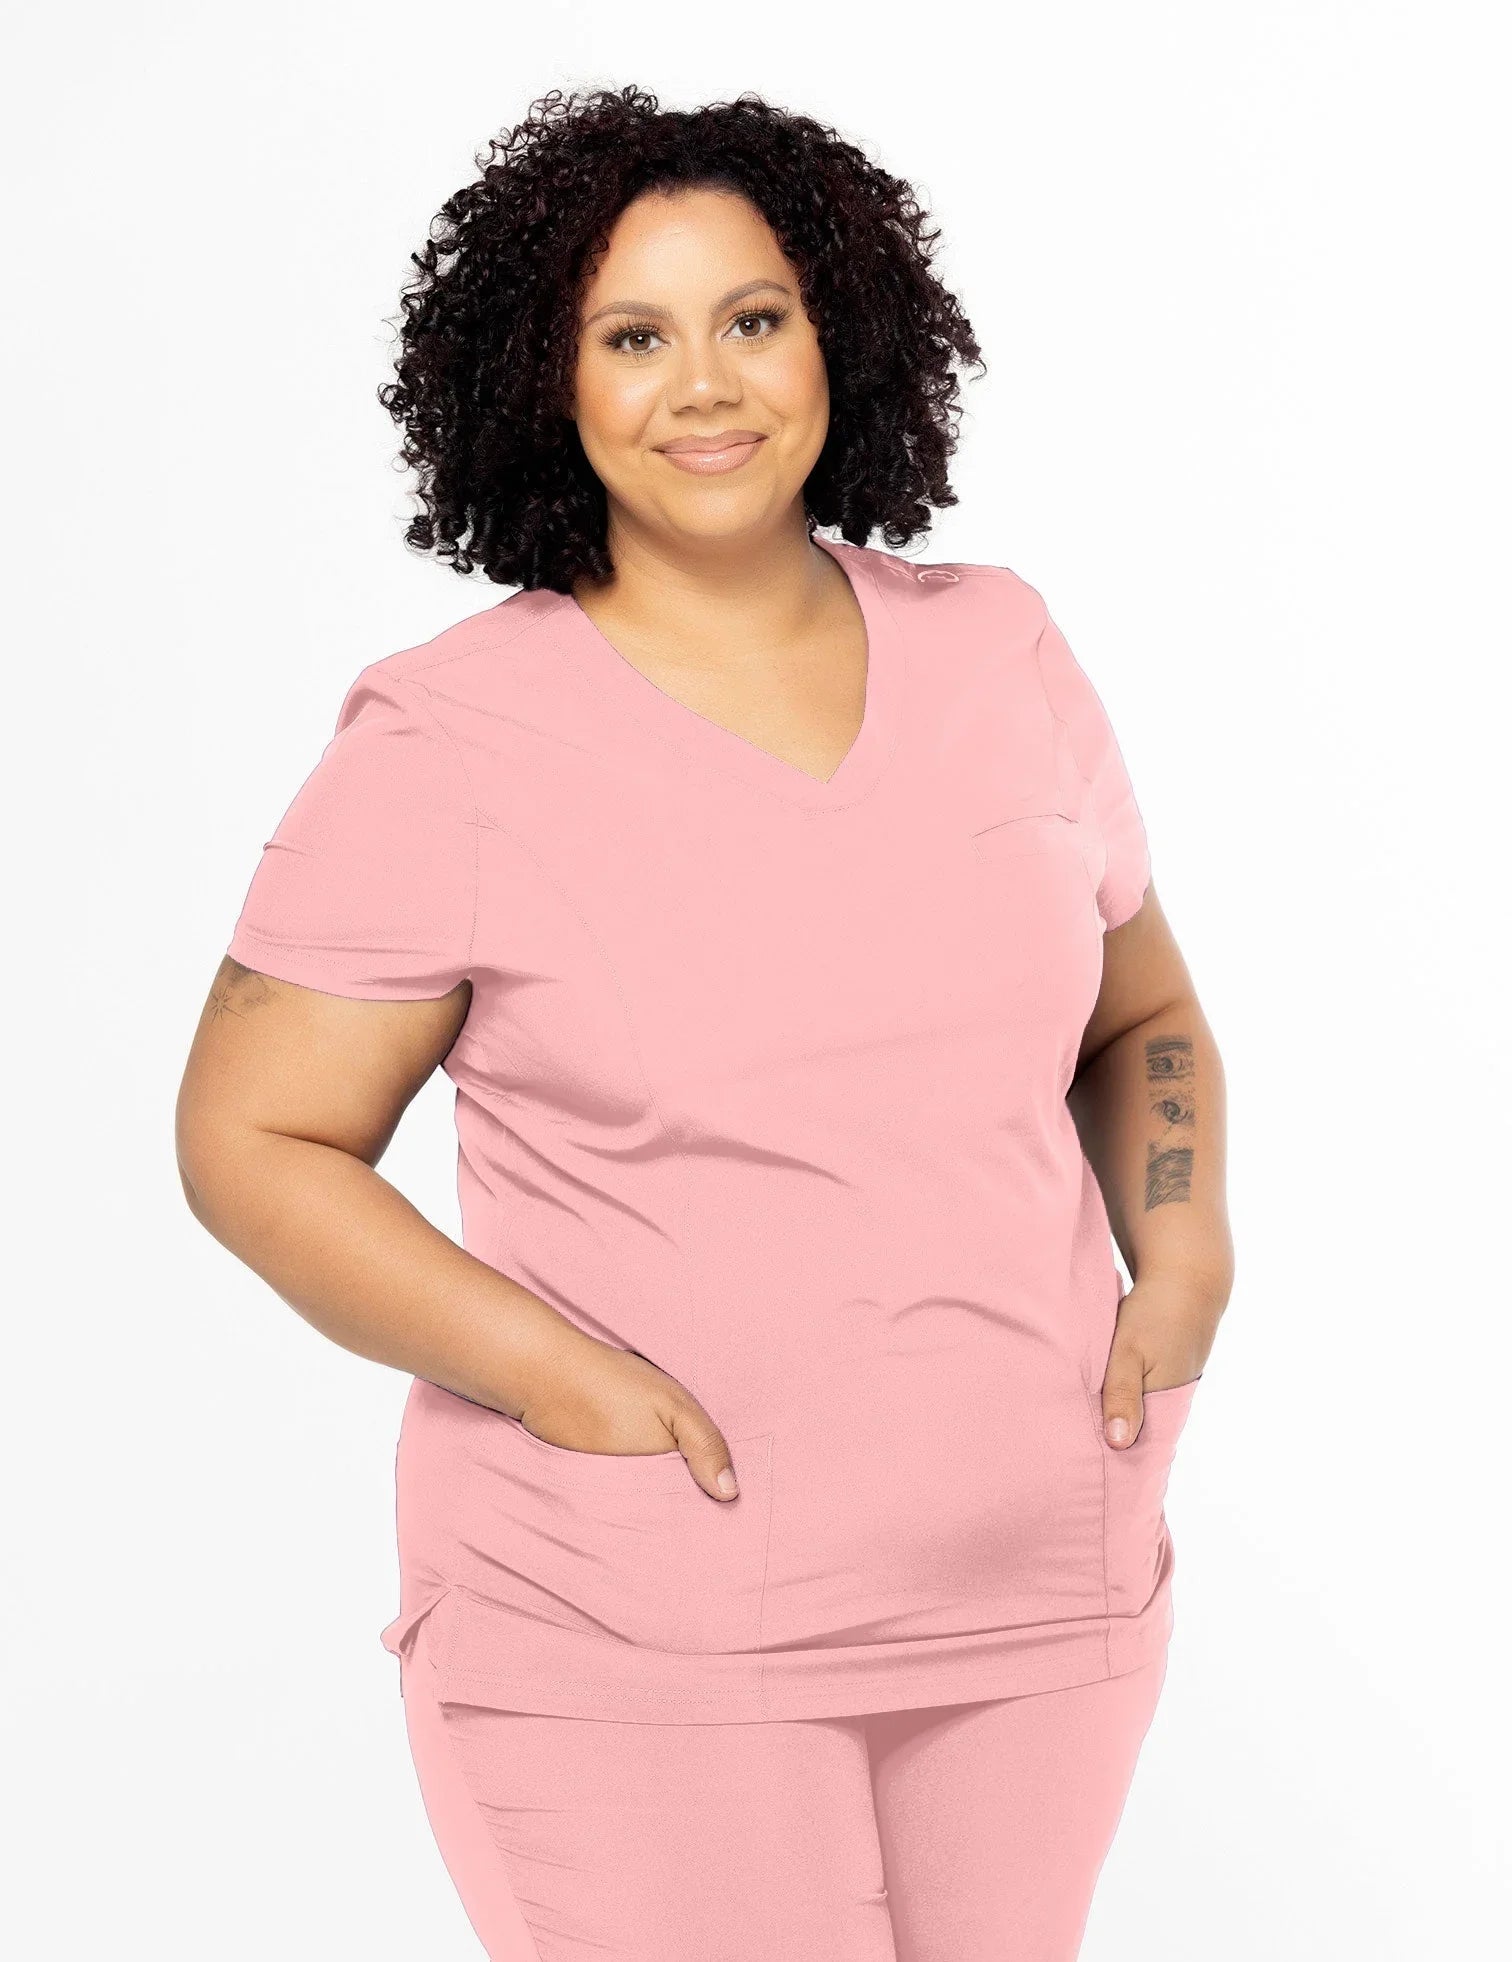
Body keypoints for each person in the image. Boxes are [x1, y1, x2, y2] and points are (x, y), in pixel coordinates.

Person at [176, 83, 1233, 1962]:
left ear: (839, 329)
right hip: (637, 1616)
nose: (707, 384)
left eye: (753, 318)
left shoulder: (1000, 648)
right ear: (546, 384)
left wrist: (1184, 1256)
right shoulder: (450, 738)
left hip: (1034, 1595)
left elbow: (1138, 1009)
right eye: (633, 336)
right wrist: (565, 1380)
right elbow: (252, 1139)